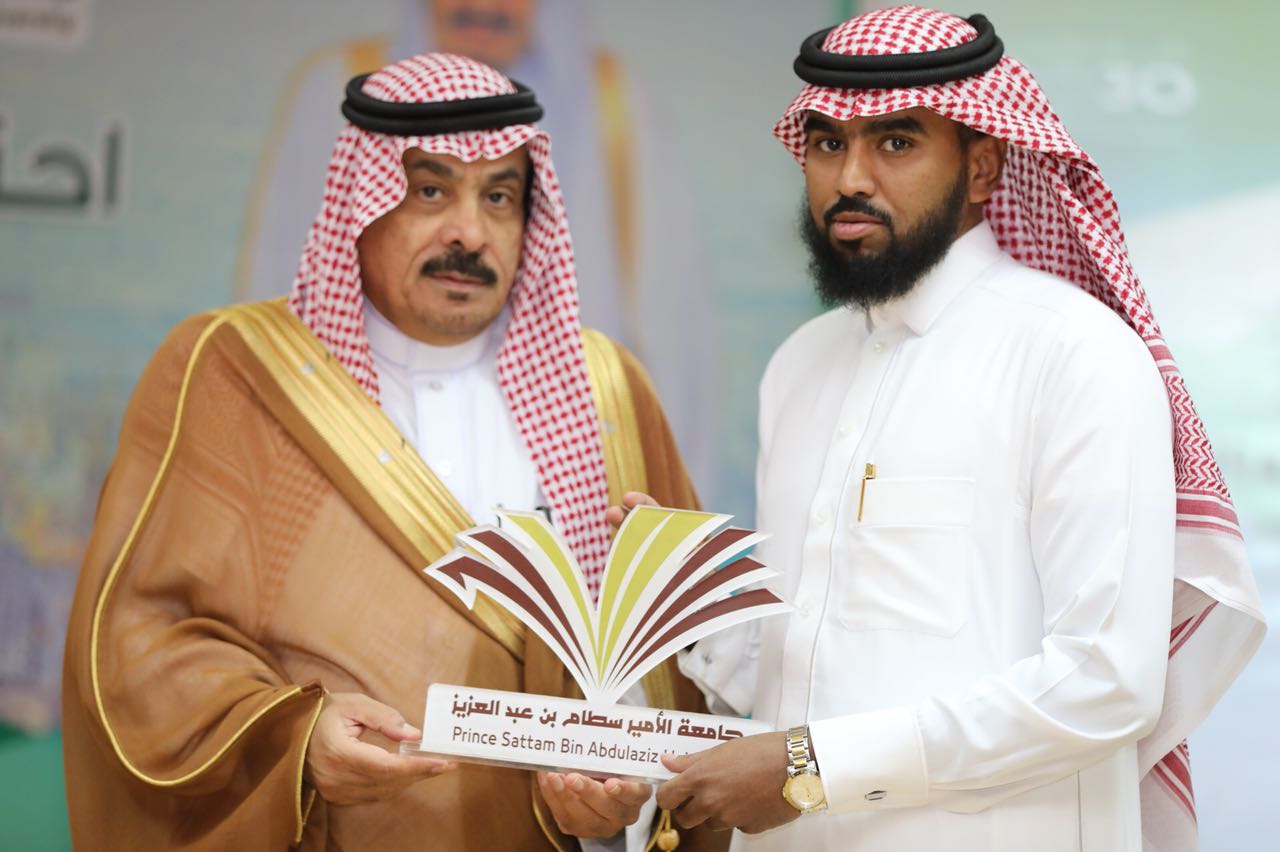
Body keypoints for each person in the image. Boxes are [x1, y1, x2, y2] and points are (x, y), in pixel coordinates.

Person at [62, 53, 721, 852]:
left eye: (499, 197)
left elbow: (678, 671)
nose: (468, 233)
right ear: (361, 199)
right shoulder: (237, 370)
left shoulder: (606, 390)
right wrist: (297, 738)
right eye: (429, 190)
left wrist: (619, 804)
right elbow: (143, 638)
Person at [648, 7, 1266, 852]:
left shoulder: (1075, 353)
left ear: (982, 167)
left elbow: (1107, 683)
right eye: (827, 143)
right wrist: (697, 596)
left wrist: (809, 767)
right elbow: (805, 675)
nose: (850, 178)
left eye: (896, 142)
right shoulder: (798, 366)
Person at [235, 0, 719, 499]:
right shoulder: (339, 88)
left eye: (499, 197)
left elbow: (676, 334)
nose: (484, 6)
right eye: (428, 191)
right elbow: (278, 292)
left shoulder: (616, 103)